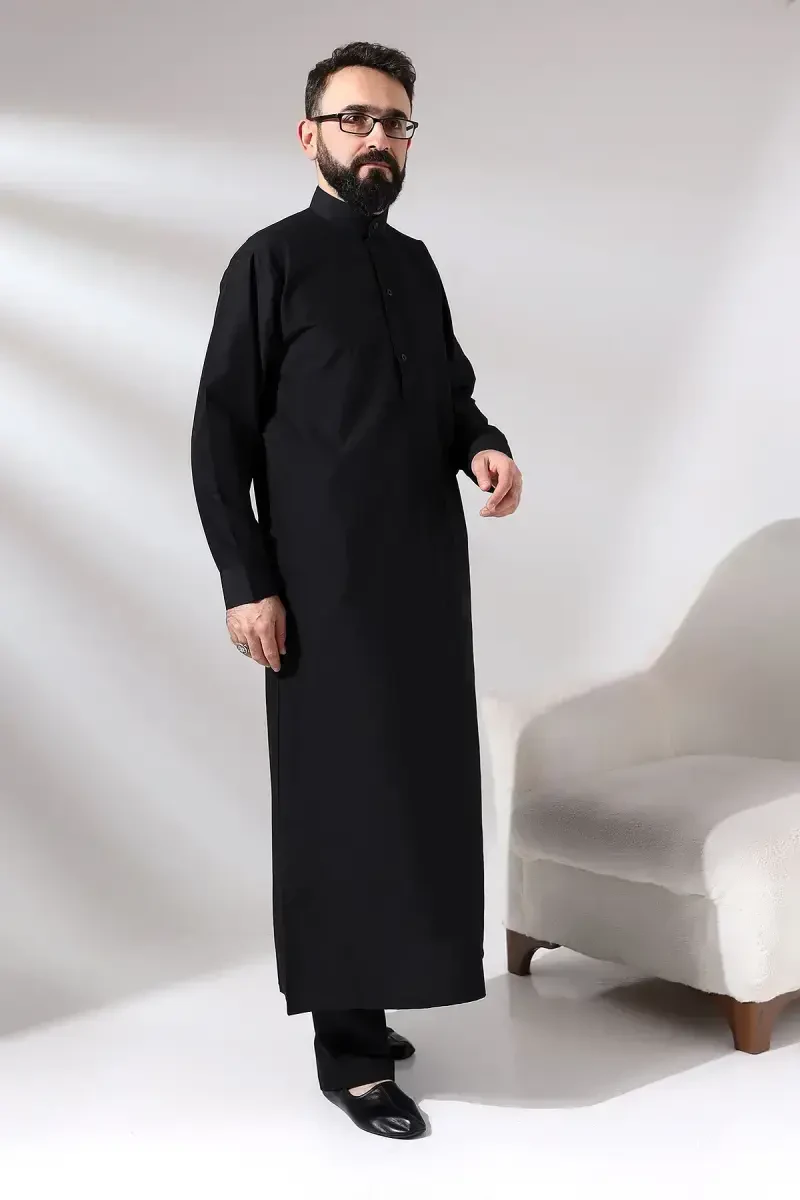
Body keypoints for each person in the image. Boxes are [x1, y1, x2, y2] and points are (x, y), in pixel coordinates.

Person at [190, 40, 522, 1140]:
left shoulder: (414, 265)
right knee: (342, 808)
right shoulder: (269, 262)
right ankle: (351, 1054)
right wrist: (248, 581)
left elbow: (450, 396)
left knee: (418, 798)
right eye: (355, 120)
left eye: (394, 123)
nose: (377, 138)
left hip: (423, 580)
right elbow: (219, 435)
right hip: (319, 595)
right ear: (310, 136)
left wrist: (482, 445)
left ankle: (384, 996)